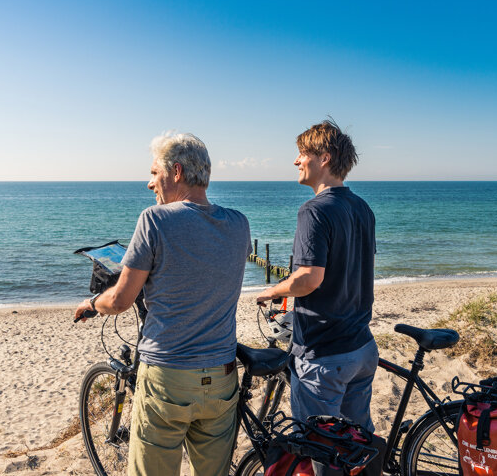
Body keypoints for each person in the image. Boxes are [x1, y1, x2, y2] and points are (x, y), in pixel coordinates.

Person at [75, 132, 251, 476]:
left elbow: (122, 299)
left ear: (177, 172)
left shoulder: (154, 220)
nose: (149, 183)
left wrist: (93, 302)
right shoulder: (239, 223)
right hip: (221, 377)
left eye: (154, 173)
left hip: (168, 377)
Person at [256, 119, 378, 431]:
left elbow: (310, 278)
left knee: (319, 447)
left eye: (302, 153)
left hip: (325, 354)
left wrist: (272, 292)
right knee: (354, 444)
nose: (296, 160)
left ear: (324, 157)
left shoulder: (314, 210)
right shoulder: (363, 208)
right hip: (362, 348)